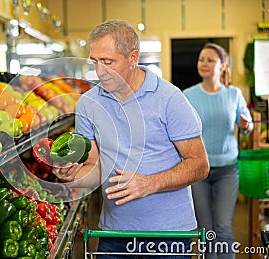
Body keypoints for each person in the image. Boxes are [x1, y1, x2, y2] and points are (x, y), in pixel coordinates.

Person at [51, 20, 209, 258]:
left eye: (108, 62)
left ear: (132, 57)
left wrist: (150, 183)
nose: (99, 71)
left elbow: (199, 164)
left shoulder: (169, 99)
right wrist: (72, 176)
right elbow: (95, 166)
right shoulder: (88, 104)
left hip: (168, 236)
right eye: (95, 61)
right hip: (113, 235)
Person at [183, 43, 253, 259]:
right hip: (198, 170)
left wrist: (246, 126)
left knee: (223, 226)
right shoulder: (188, 95)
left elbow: (248, 126)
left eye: (210, 60)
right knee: (205, 229)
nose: (203, 63)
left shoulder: (234, 94)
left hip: (227, 169)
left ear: (223, 66)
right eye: (201, 59)